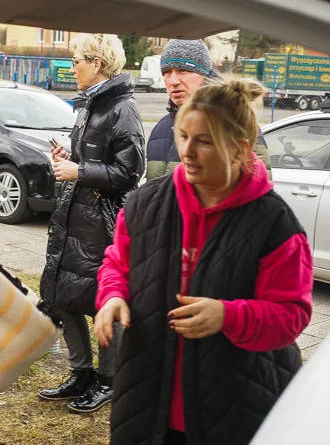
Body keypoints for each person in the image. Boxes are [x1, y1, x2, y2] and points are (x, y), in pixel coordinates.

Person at [95, 79, 313, 444]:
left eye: (204, 141)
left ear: (240, 149)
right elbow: (116, 264)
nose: (187, 151)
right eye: (182, 136)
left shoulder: (275, 224)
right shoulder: (144, 205)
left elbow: (291, 317)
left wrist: (229, 316)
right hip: (147, 401)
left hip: (235, 407)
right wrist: (113, 296)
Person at [39, 33, 145, 413]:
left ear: (96, 64)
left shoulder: (122, 109)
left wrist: (79, 170)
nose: (72, 67)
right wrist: (70, 157)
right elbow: (94, 160)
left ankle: (108, 380)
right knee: (63, 294)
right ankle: (81, 373)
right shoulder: (90, 106)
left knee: (102, 300)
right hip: (74, 216)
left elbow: (130, 172)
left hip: (100, 224)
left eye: (76, 60)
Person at [146, 39, 272, 181]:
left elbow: (257, 186)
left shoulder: (235, 121)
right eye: (167, 72)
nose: (173, 81)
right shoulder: (161, 128)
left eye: (183, 71)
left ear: (204, 73)